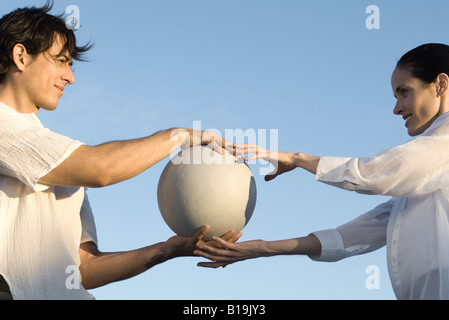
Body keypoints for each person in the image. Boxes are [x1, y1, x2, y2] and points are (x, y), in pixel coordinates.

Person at [0, 2, 239, 300]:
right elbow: (101, 168)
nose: (70, 77)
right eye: (60, 61)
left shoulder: (56, 154)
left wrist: (169, 249)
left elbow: (84, 268)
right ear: (21, 56)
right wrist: (178, 136)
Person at [195, 43, 449, 300]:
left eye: (404, 92)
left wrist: (297, 159)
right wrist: (263, 248)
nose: (396, 108)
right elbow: (361, 232)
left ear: (440, 85)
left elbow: (371, 174)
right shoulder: (425, 173)